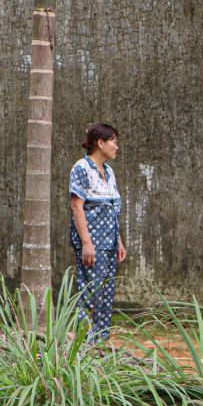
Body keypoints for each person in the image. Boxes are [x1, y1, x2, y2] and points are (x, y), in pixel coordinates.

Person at [69, 123, 126, 341]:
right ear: (100, 143)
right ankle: (85, 345)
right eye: (113, 141)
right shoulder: (81, 168)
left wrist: (118, 241)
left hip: (109, 245)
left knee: (105, 296)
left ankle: (100, 343)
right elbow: (77, 206)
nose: (116, 146)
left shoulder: (109, 172)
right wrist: (86, 243)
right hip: (92, 245)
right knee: (89, 295)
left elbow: (111, 209)